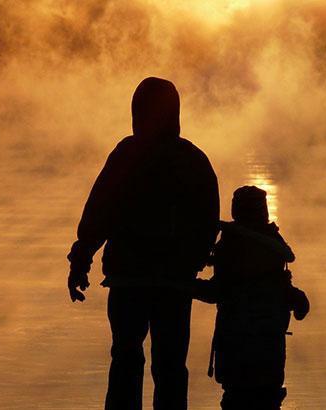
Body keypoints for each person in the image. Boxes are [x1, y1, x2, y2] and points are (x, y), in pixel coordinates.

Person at [67, 77, 220, 410]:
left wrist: (81, 259)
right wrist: (190, 262)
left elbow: (98, 212)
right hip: (173, 284)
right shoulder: (193, 160)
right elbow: (208, 223)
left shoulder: (127, 154)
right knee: (170, 369)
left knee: (126, 358)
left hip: (130, 280)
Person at [193, 186, 309, 410]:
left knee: (237, 401)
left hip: (236, 353)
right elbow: (281, 287)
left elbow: (218, 291)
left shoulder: (231, 245)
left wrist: (185, 286)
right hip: (269, 355)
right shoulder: (272, 245)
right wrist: (298, 300)